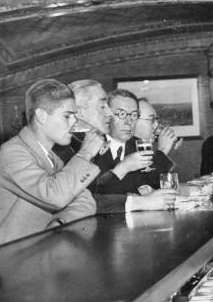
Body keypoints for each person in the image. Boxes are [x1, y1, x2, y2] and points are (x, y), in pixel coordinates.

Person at [0, 79, 103, 252]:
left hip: (35, 252)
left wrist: (58, 223)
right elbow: (55, 196)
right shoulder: (12, 152)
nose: (74, 123)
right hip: (1, 258)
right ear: (41, 116)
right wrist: (85, 153)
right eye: (67, 116)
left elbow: (86, 202)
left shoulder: (52, 158)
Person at [55, 81, 177, 212]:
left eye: (134, 115)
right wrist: (125, 171)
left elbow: (151, 181)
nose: (109, 114)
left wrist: (145, 190)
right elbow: (91, 196)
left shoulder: (104, 141)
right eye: (103, 106)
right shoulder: (70, 145)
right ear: (79, 112)